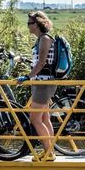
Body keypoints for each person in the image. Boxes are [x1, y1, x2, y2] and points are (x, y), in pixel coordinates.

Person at [18, 10, 57, 161]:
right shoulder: (41, 39)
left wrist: (27, 76)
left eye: (30, 23)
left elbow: (42, 63)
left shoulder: (45, 39)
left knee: (35, 118)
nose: (28, 26)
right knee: (45, 118)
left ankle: (49, 153)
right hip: (42, 82)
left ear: (38, 24)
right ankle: (49, 151)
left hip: (43, 83)